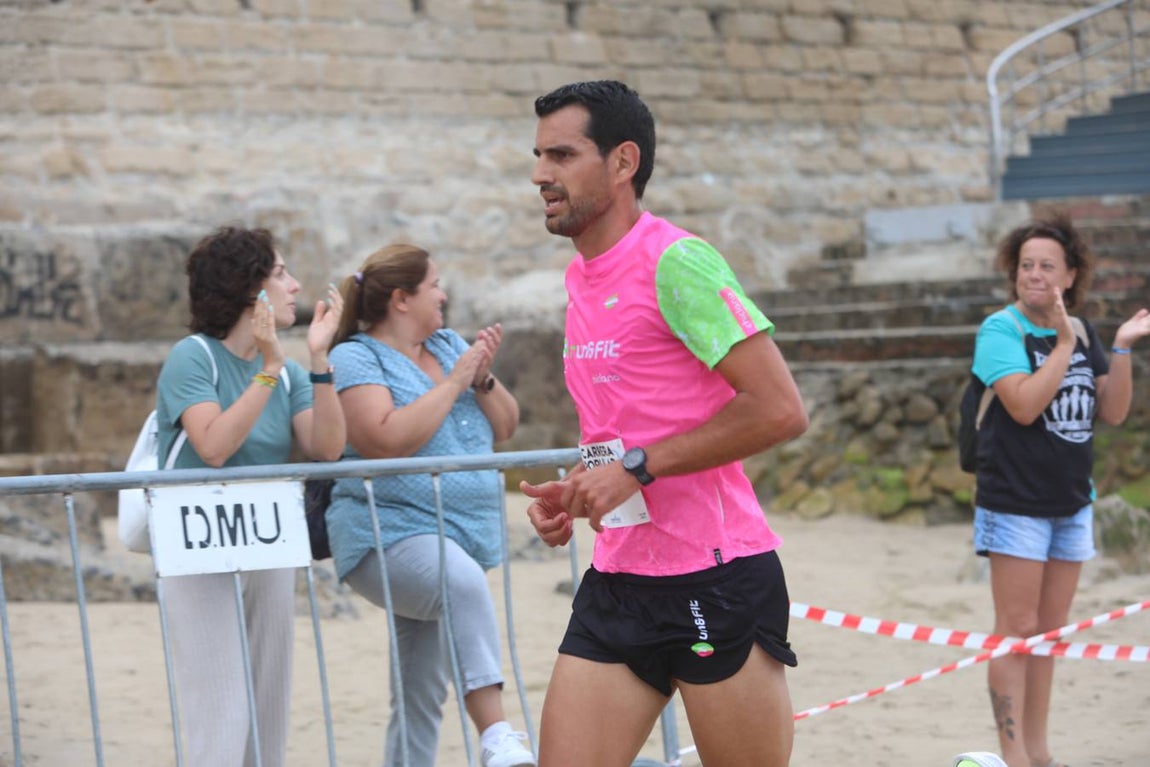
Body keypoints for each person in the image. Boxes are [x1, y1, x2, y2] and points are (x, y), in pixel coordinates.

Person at [521, 80, 809, 767]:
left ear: (623, 163)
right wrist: (584, 485)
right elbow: (630, 425)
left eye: (561, 154)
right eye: (537, 156)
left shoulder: (676, 261)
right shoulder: (580, 276)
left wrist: (638, 467)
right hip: (620, 575)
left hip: (716, 576)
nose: (540, 175)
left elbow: (779, 408)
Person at [324, 244, 534, 767]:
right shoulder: (355, 356)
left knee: (419, 692)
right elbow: (384, 439)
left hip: (457, 535)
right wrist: (457, 381)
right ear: (401, 298)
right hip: (386, 535)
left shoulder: (446, 345)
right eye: (434, 284)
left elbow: (506, 425)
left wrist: (480, 376)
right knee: (458, 583)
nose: (443, 294)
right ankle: (498, 736)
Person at [155, 225, 347, 766]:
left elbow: (327, 449)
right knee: (221, 705)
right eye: (281, 273)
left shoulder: (290, 373)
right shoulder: (193, 357)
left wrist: (318, 359)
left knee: (268, 701)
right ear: (249, 288)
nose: (296, 285)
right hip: (193, 538)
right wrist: (267, 370)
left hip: (265, 534)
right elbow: (213, 445)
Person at [970, 213, 1150, 767]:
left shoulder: (1086, 332)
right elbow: (1023, 406)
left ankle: (1040, 752)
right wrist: (1063, 344)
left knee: (1048, 635)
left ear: (1070, 275)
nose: (1035, 275)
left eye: (1048, 265)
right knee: (1017, 630)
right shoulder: (1001, 330)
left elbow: (1113, 412)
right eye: (1026, 265)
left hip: (1072, 504)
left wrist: (1118, 347)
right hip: (1014, 504)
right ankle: (1014, 754)